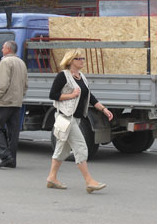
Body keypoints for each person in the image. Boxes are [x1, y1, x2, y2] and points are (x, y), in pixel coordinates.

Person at [47, 49, 113, 193]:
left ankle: (52, 178)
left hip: (76, 118)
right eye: (79, 59)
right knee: (81, 147)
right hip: (65, 118)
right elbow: (53, 95)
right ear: (71, 61)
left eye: (83, 58)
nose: (82, 61)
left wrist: (103, 109)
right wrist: (71, 95)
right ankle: (89, 181)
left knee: (62, 148)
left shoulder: (81, 77)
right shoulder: (63, 76)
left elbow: (90, 96)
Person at [0, 41, 28, 169]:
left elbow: (2, 84)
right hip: (16, 102)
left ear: (8, 49)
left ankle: (5, 156)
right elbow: (25, 84)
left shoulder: (5, 62)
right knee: (13, 132)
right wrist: (19, 96)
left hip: (4, 101)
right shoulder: (21, 63)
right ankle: (12, 160)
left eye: (3, 47)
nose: (1, 49)